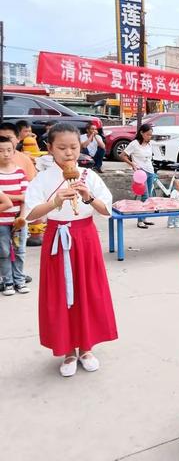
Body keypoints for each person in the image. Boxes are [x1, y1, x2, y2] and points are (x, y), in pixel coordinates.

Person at [24, 123, 117, 377]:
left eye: (74, 147)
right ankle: (67, 350)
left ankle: (86, 348)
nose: (68, 153)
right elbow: (31, 215)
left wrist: (88, 197)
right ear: (50, 148)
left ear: (81, 146)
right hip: (56, 236)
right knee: (60, 293)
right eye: (62, 148)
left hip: (85, 237)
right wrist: (54, 202)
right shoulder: (42, 179)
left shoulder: (90, 176)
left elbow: (106, 209)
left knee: (87, 290)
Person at [0, 136, 30, 296]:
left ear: (14, 152)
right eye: (1, 151)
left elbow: (27, 198)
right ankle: (8, 282)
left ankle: (19, 281)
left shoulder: (20, 173)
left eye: (8, 150)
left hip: (19, 221)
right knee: (3, 252)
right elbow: (20, 197)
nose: (5, 154)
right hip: (1, 221)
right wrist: (18, 197)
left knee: (20, 251)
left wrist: (22, 218)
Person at [120, 124, 155, 229]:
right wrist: (132, 164)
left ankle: (144, 218)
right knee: (144, 195)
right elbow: (123, 155)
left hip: (150, 171)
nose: (150, 137)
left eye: (151, 135)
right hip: (140, 173)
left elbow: (149, 158)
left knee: (148, 197)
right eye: (148, 135)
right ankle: (140, 221)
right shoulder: (134, 144)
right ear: (141, 133)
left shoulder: (149, 144)